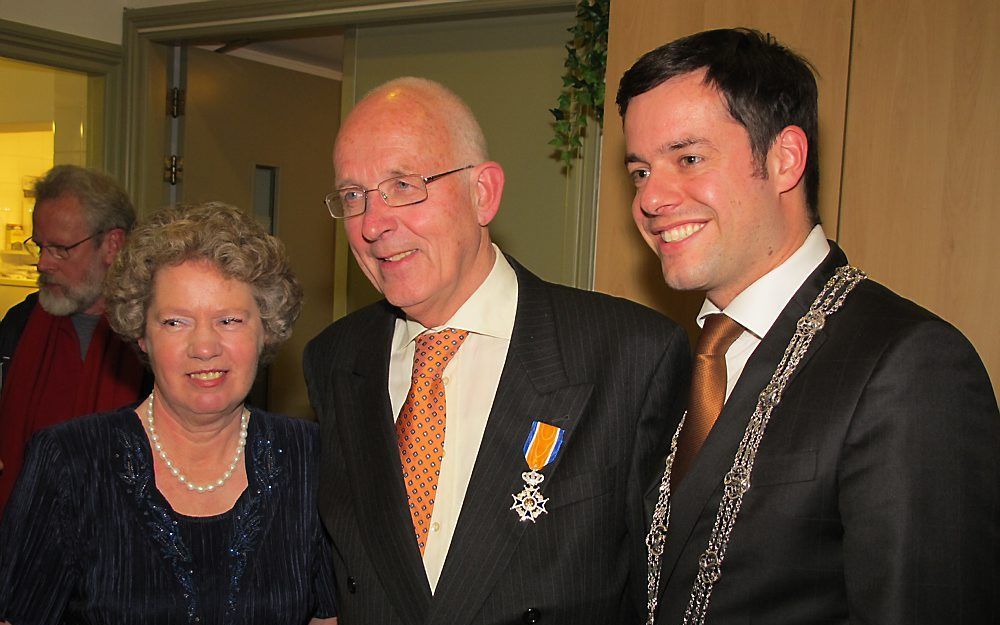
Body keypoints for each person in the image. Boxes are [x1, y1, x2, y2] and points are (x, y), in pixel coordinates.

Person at [618, 28, 1000, 624]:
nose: (651, 198)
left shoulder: (909, 365)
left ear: (784, 159)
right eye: (639, 172)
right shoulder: (680, 363)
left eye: (688, 159)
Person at [304, 77, 689, 624]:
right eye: (353, 196)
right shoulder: (336, 359)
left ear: (483, 193)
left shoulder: (629, 355)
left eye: (403, 185)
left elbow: (668, 594)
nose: (373, 224)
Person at [0, 202, 337, 625]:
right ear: (141, 333)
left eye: (229, 320)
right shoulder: (68, 461)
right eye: (175, 322)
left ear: (265, 328)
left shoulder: (312, 459)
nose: (204, 346)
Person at [0, 165, 146, 513]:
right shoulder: (19, 325)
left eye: (60, 249)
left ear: (112, 244)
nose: (42, 264)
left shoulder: (151, 338)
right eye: (39, 246)